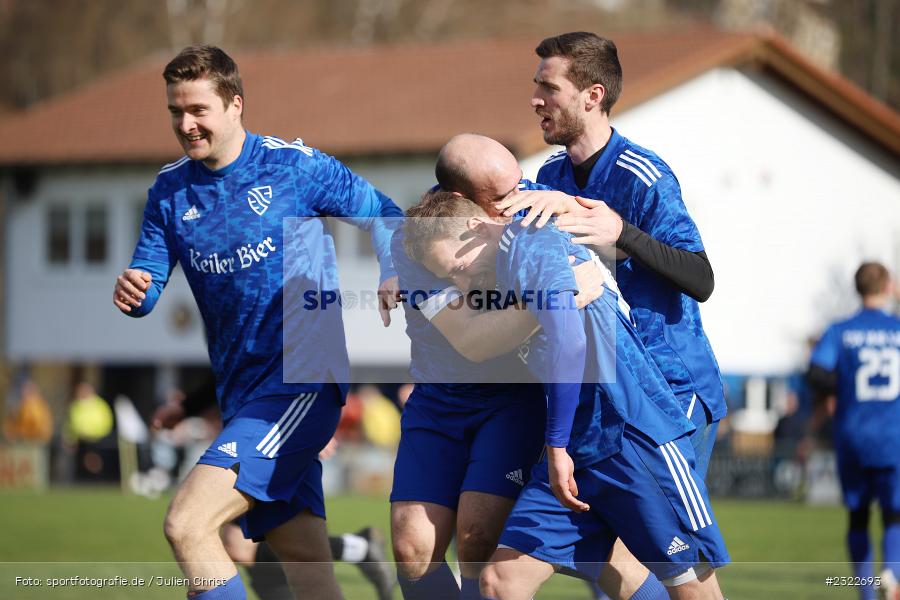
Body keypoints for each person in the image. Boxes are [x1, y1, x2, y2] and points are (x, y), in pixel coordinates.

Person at [113, 45, 401, 600]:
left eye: (198, 109)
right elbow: (146, 282)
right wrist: (136, 293)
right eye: (175, 111)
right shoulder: (169, 191)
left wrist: (393, 269)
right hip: (243, 393)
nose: (185, 123)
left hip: (302, 381)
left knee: (188, 524)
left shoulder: (294, 167)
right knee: (306, 564)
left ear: (235, 105)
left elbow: (383, 212)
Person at [403, 190, 730, 599]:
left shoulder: (531, 241)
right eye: (451, 278)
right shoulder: (501, 263)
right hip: (578, 451)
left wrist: (555, 445)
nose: (462, 283)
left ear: (475, 226)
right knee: (501, 579)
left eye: (459, 267)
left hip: (632, 437)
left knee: (690, 584)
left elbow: (569, 343)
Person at [389, 133, 606, 600]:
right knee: (411, 548)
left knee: (477, 539)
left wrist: (580, 211)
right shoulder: (419, 241)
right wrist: (554, 302)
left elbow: (614, 241)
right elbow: (473, 340)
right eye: (504, 195)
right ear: (466, 205)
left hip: (513, 398)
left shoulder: (531, 211)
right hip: (439, 399)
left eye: (519, 185)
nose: (519, 197)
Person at [808, 262, 900, 600]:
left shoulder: (840, 331)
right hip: (894, 436)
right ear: (888, 286)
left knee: (858, 516)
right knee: (895, 512)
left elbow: (816, 373)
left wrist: (841, 386)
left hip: (854, 435)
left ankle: (866, 594)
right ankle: (892, 573)